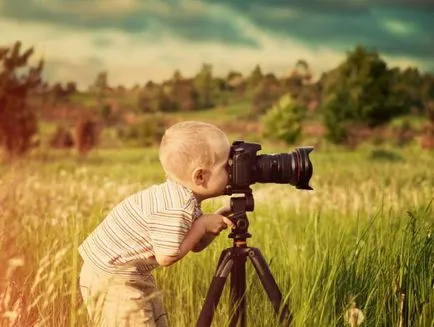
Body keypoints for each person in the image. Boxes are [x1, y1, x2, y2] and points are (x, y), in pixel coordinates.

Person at [78, 121, 234, 327]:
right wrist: (202, 226)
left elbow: (194, 244)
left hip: (125, 273)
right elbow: (166, 256)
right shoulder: (176, 206)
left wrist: (213, 222)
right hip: (112, 277)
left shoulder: (182, 196)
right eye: (226, 166)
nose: (233, 170)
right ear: (200, 176)